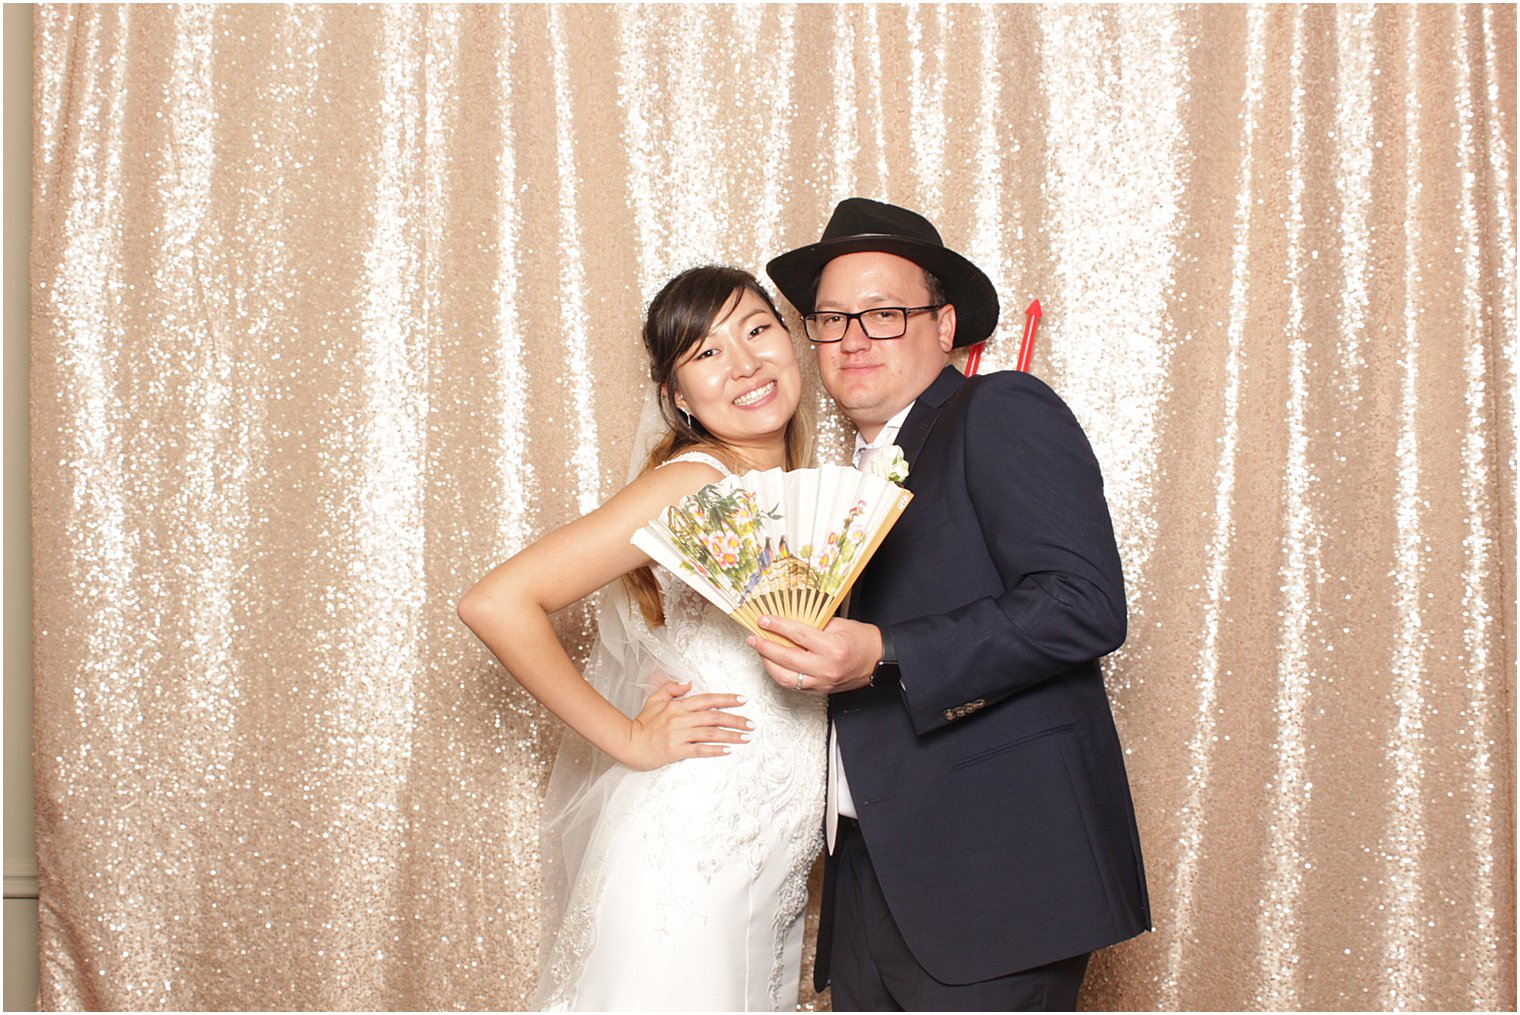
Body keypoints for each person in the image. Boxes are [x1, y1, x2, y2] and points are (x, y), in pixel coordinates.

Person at [750, 198, 1150, 1010]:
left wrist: (883, 651)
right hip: (866, 877)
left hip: (994, 872)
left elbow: (1084, 604)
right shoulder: (823, 493)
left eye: (884, 312)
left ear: (945, 326)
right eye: (831, 318)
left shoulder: (998, 410)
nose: (854, 336)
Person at [457, 265, 826, 1011]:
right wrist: (628, 736)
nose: (746, 364)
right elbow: (498, 601)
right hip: (692, 854)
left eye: (757, 330)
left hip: (767, 860)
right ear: (678, 398)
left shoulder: (807, 490)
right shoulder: (695, 481)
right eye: (707, 353)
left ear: (792, 344)